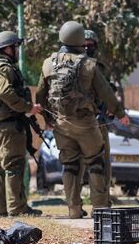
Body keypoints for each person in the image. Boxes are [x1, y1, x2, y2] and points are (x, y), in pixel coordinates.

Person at [36, 21, 129, 219]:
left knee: (69, 166)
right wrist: (121, 113)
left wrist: (48, 119)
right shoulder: (88, 64)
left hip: (61, 124)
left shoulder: (48, 63)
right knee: (96, 162)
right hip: (86, 124)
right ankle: (100, 209)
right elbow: (105, 92)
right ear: (79, 40)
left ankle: (74, 209)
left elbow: (40, 96)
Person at [0, 30, 43, 217]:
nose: (17, 51)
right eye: (15, 47)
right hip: (9, 127)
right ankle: (16, 208)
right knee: (13, 166)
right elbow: (4, 92)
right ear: (7, 49)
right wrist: (27, 107)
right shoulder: (4, 68)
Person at [82, 29, 118, 199]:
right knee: (77, 164)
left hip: (99, 120)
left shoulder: (100, 67)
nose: (88, 48)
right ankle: (75, 203)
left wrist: (111, 107)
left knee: (102, 161)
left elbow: (106, 91)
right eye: (85, 45)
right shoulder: (73, 67)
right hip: (79, 120)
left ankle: (103, 200)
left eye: (91, 45)